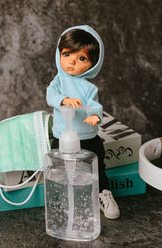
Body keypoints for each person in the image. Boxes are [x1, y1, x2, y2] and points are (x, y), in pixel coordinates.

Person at [46, 25, 120, 219]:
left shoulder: (88, 88)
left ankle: (103, 194)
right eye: (67, 54)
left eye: (81, 58)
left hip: (88, 137)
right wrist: (64, 100)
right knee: (61, 171)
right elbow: (50, 94)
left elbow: (95, 106)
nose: (71, 62)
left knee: (98, 168)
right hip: (62, 137)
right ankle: (64, 201)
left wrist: (95, 116)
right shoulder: (58, 81)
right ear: (59, 54)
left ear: (92, 64)